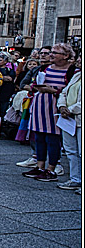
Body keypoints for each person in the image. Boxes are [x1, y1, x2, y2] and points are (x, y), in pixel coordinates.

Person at [23, 43, 75, 181]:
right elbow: (35, 84)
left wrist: (53, 91)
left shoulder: (72, 71)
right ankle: (39, 166)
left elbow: (71, 92)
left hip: (56, 107)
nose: (50, 55)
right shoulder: (45, 68)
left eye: (55, 53)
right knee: (39, 137)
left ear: (66, 56)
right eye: (50, 52)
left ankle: (51, 169)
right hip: (40, 105)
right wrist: (35, 86)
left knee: (53, 139)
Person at [55, 54, 81, 191]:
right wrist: (62, 106)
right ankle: (75, 179)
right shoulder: (77, 75)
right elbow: (64, 92)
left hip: (79, 117)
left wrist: (71, 109)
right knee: (71, 150)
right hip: (69, 119)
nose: (79, 60)